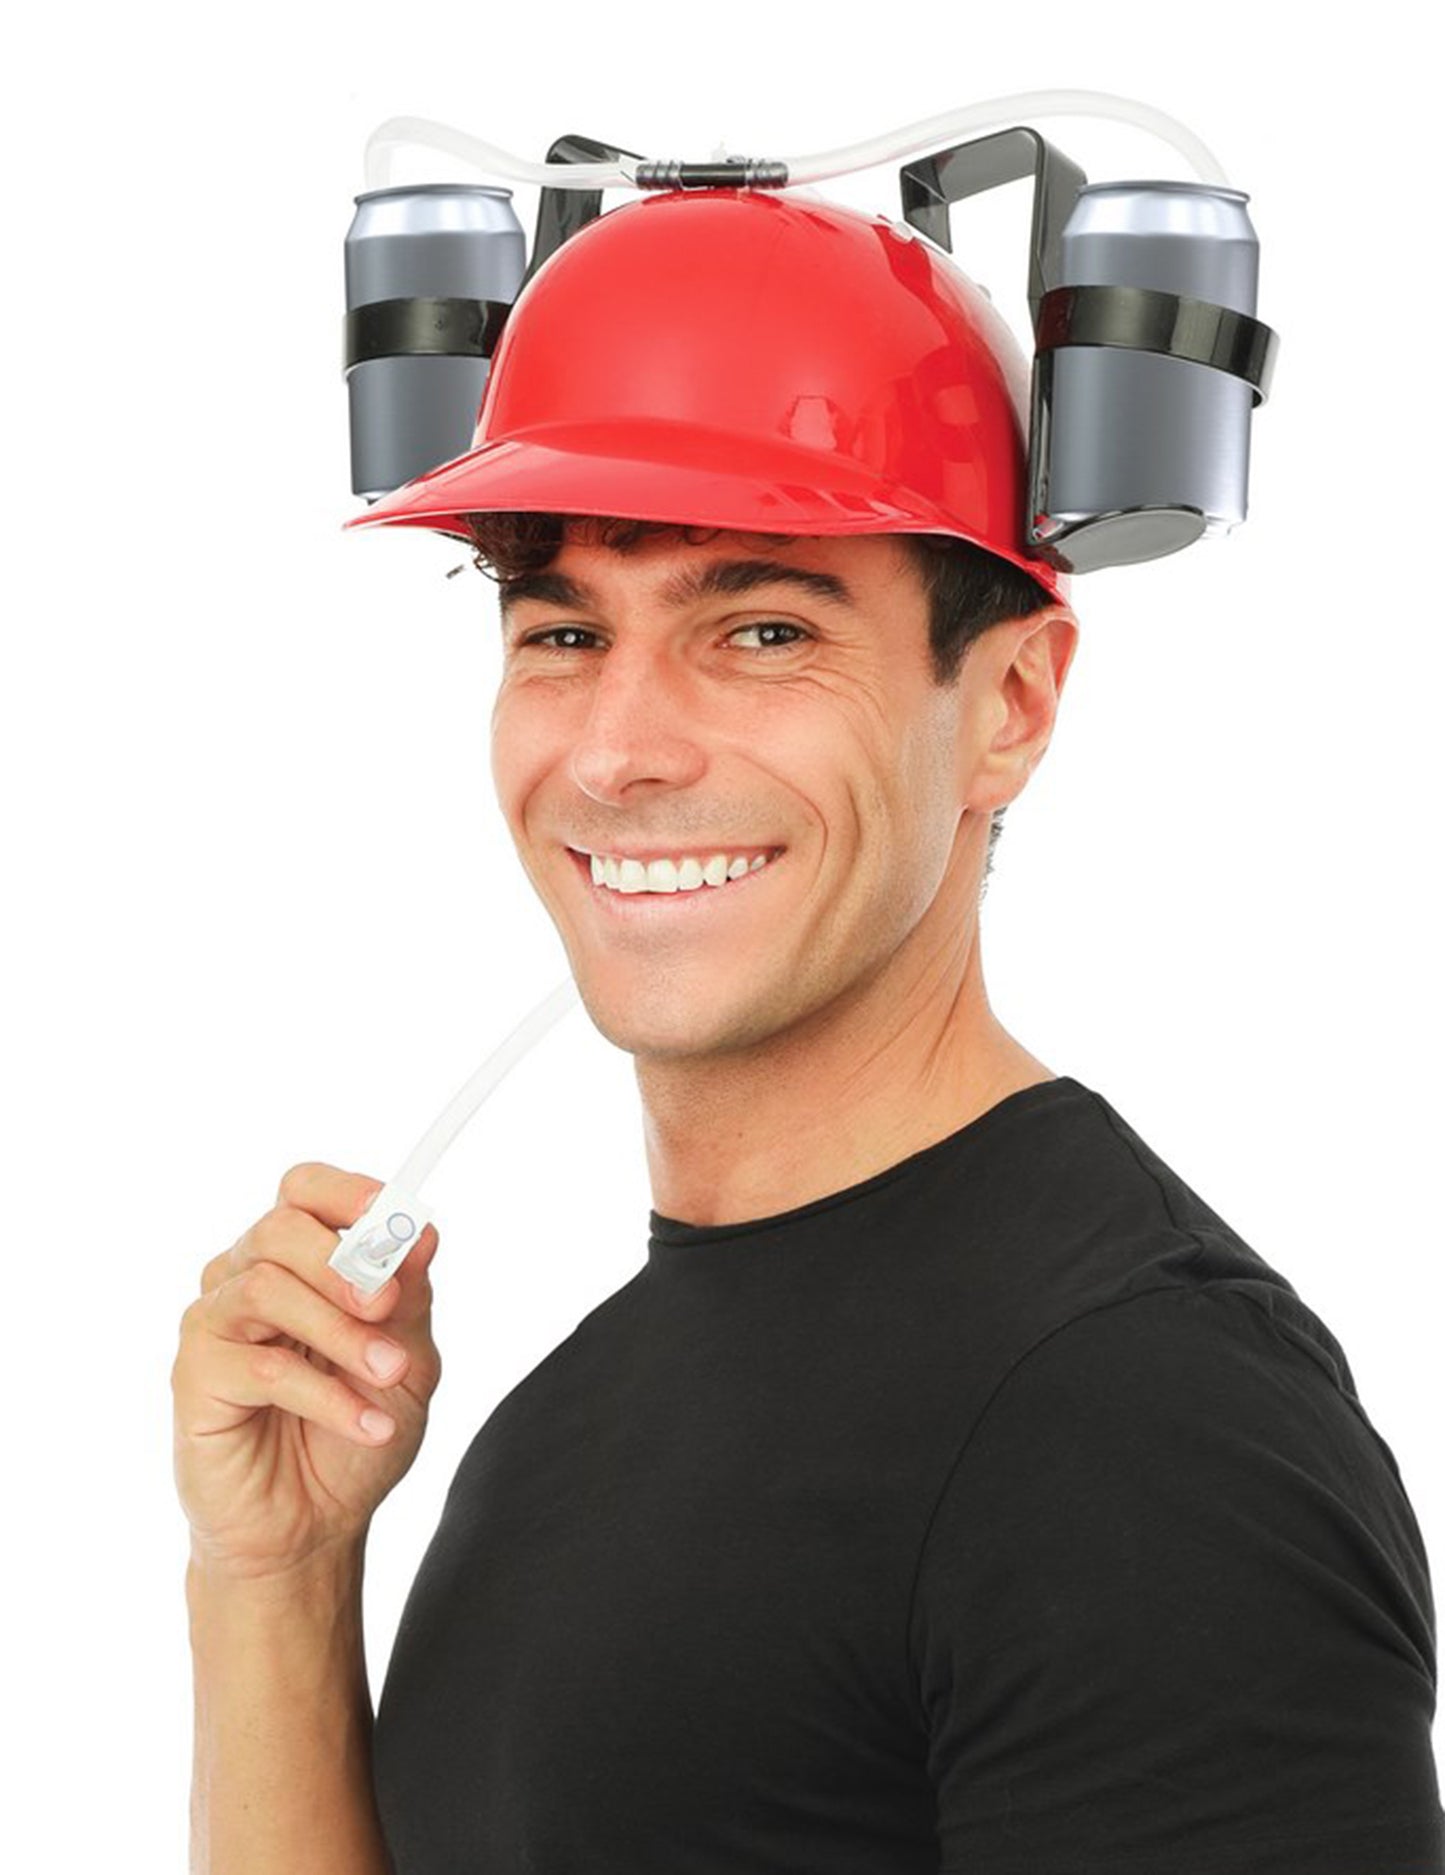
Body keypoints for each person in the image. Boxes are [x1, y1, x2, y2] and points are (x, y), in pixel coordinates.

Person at [173, 185, 1445, 1872]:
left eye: (761, 630)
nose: (616, 751)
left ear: (1007, 704)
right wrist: (271, 1574)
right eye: (563, 631)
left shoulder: (1141, 1423)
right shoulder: (581, 1407)